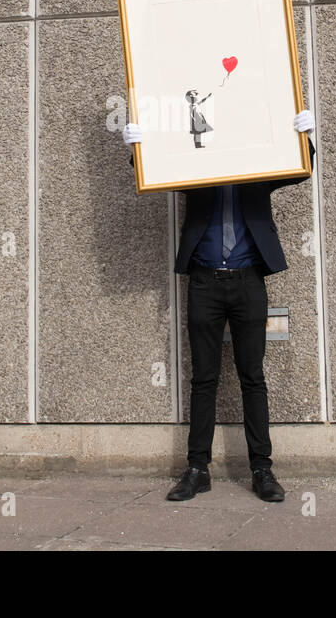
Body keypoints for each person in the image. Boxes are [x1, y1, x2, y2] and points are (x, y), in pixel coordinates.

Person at [123, 109, 316, 502]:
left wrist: (307, 137)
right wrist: (137, 148)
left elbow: (299, 168)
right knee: (203, 380)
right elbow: (158, 170)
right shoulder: (197, 168)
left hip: (248, 282)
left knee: (253, 378)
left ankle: (262, 470)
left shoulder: (259, 168)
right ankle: (197, 469)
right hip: (205, 282)